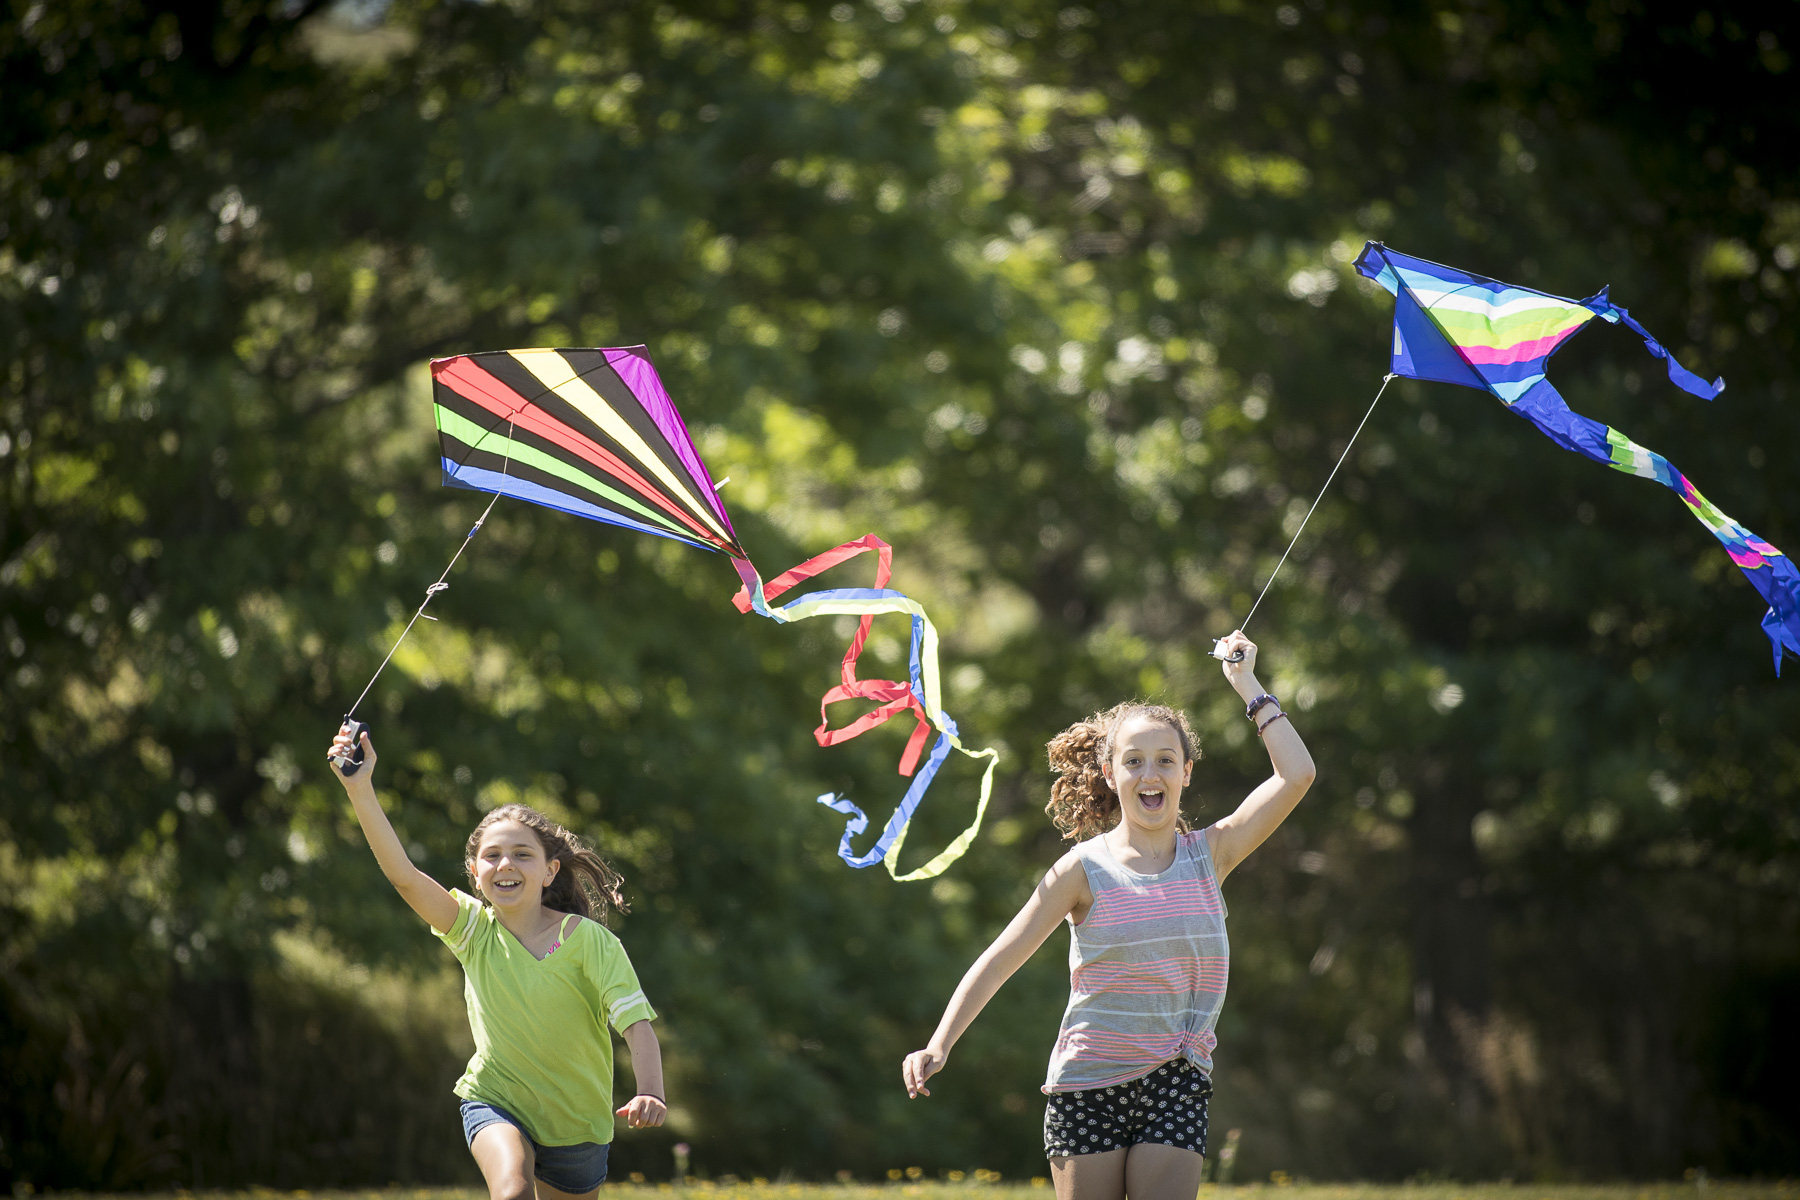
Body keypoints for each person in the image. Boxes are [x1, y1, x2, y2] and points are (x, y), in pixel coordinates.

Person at [901, 630, 1315, 1200]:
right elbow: (1001, 958)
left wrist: (1247, 685)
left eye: (1166, 760)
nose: (1151, 774)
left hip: (1177, 1077)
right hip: (1086, 1084)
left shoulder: (1210, 854)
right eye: (1135, 761)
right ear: (1110, 773)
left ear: (1186, 773)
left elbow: (1296, 776)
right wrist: (939, 1044)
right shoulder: (1081, 870)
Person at [326, 723, 665, 1200]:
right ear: (475, 872)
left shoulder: (589, 942)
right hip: (494, 1101)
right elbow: (403, 876)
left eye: (522, 855)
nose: (505, 864)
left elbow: (636, 1026)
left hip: (578, 1129)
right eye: (493, 856)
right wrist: (359, 789)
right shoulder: (472, 930)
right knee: (511, 1192)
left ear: (550, 871)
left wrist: (651, 1090)